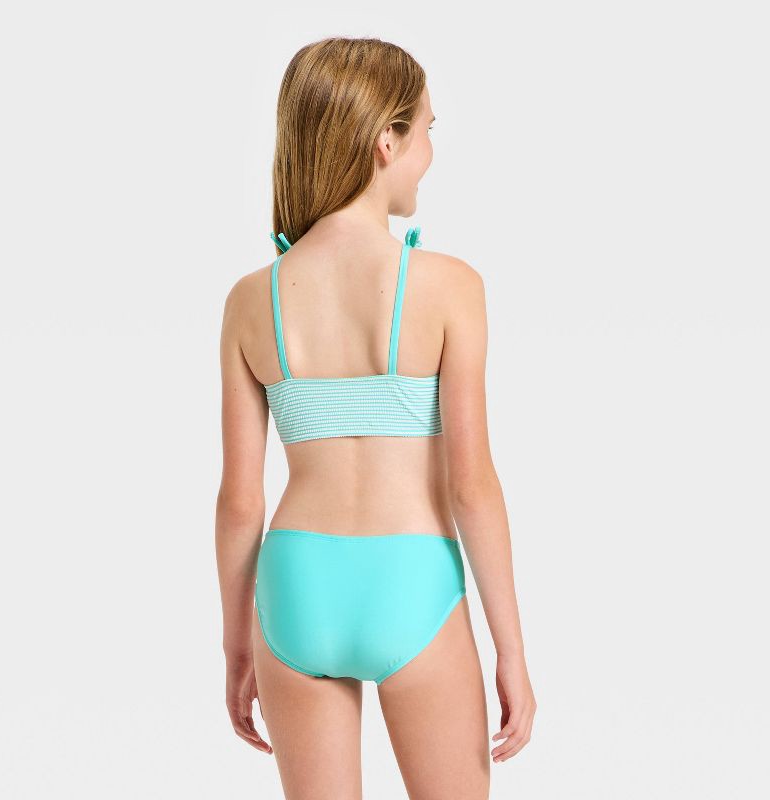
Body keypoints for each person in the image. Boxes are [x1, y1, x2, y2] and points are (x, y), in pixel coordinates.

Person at [215, 36, 536, 799]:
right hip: (410, 580)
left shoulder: (252, 300)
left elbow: (239, 502)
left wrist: (238, 644)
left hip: (295, 586)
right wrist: (511, 649)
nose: (430, 153)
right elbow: (472, 487)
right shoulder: (448, 286)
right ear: (384, 141)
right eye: (426, 130)